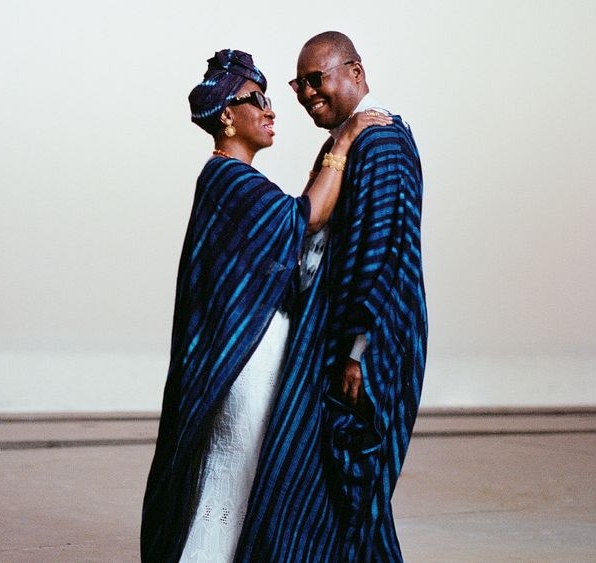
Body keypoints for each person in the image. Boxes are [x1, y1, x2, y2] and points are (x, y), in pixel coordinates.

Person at [140, 49, 391, 563]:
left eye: (271, 98)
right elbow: (308, 217)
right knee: (235, 471)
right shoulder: (228, 179)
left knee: (240, 472)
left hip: (254, 355)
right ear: (227, 115)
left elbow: (289, 232)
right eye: (256, 99)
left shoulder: (237, 183)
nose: (271, 109)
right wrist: (344, 140)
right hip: (247, 362)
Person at [233, 32, 427, 562]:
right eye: (299, 85)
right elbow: (312, 237)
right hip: (333, 339)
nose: (306, 94)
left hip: (368, 344)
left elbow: (381, 252)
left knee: (355, 486)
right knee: (320, 486)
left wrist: (357, 352)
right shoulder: (344, 143)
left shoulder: (381, 141)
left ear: (355, 73)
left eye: (317, 79)